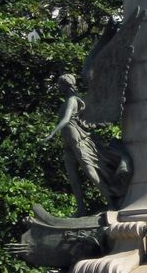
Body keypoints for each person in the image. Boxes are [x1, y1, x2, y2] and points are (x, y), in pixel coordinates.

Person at [44, 74, 131, 214]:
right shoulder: (67, 101)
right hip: (67, 143)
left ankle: (111, 202)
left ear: (67, 85)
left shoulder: (72, 100)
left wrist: (52, 133)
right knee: (72, 177)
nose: (58, 87)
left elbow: (66, 119)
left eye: (60, 85)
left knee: (91, 171)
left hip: (77, 138)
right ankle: (80, 209)